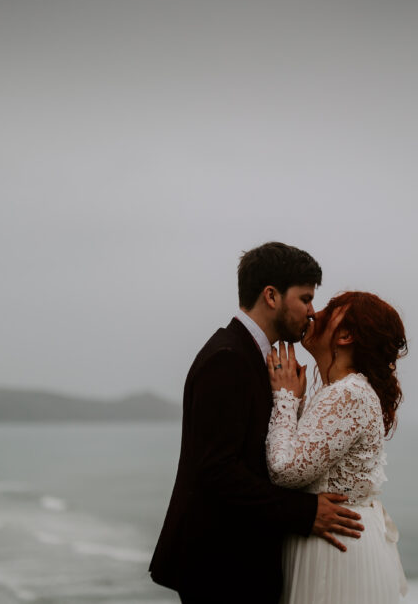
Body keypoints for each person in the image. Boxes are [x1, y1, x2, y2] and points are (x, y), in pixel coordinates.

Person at [149, 242, 365, 604]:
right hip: (221, 568)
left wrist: (290, 402)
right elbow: (217, 470)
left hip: (240, 562)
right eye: (305, 298)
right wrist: (305, 512)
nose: (313, 312)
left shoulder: (258, 358)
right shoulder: (227, 358)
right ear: (271, 296)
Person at [266, 291, 408, 603]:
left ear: (345, 335)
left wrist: (286, 400)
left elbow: (284, 470)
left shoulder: (348, 394)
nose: (314, 313)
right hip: (336, 539)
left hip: (335, 551)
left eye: (330, 310)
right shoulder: (338, 391)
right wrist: (299, 402)